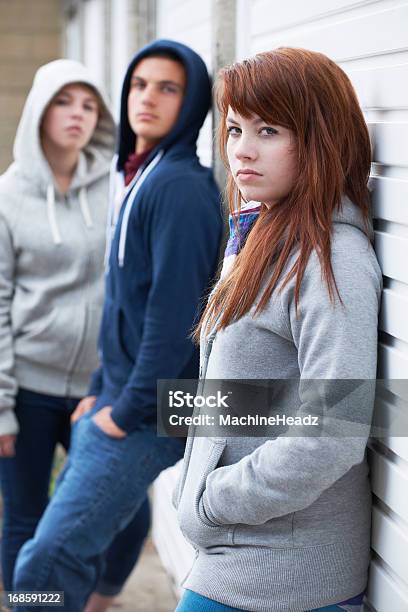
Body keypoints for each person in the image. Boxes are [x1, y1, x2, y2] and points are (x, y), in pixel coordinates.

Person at [13, 39, 222, 611]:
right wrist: (100, 389)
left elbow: (173, 318)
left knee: (44, 563)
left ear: (193, 102)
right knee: (74, 542)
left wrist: (123, 409)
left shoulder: (179, 188)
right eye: (139, 84)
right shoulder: (141, 176)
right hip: (114, 397)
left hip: (147, 410)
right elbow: (123, 308)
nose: (147, 98)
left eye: (168, 88)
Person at [174, 48, 382, 611]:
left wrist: (215, 499)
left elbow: (334, 428)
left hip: (280, 576)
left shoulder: (331, 258)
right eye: (236, 127)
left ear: (318, 139)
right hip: (239, 556)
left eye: (268, 130)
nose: (241, 149)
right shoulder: (265, 234)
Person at [0, 59, 115, 593]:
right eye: (65, 102)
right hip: (27, 388)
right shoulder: (8, 196)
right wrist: (1, 407)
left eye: (88, 105)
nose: (77, 115)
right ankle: (32, 606)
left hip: (96, 392)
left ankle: (89, 603)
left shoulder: (114, 188)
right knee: (25, 518)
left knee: (111, 514)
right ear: (40, 112)